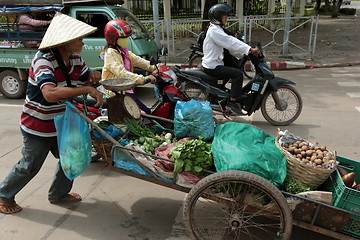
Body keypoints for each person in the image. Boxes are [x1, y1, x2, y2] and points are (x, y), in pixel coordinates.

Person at [0, 13, 104, 214]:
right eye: (79, 38)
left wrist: (93, 77)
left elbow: (86, 77)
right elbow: (50, 93)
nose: (83, 41)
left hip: (61, 122)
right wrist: (86, 89)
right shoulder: (43, 60)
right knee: (29, 166)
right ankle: (4, 196)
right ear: (65, 41)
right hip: (38, 124)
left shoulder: (74, 58)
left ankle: (58, 194)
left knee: (71, 158)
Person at [202, 3, 260, 114]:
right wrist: (249, 49)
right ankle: (233, 102)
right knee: (237, 74)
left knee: (234, 67)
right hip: (212, 66)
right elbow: (229, 42)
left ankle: (229, 96)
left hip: (215, 63)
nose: (226, 19)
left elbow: (229, 43)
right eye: (224, 16)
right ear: (218, 17)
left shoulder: (216, 29)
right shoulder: (215, 31)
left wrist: (242, 52)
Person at [101, 19, 157, 114]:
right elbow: (122, 73)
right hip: (116, 93)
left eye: (127, 38)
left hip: (125, 90)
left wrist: (155, 67)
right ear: (113, 38)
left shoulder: (123, 51)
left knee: (146, 113)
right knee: (146, 114)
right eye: (123, 38)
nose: (126, 40)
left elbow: (139, 61)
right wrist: (143, 79)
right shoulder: (111, 53)